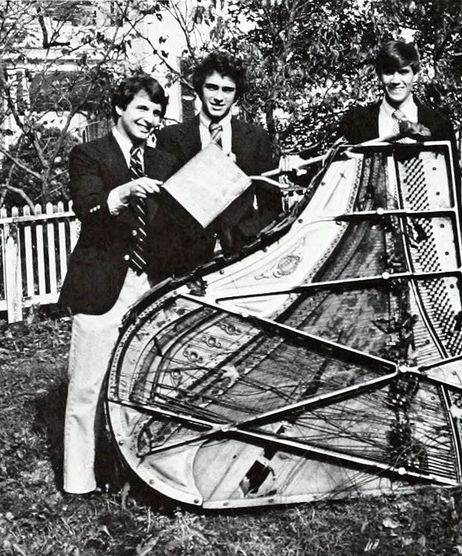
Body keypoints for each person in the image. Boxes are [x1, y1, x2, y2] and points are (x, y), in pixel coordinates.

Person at [58, 75, 178, 494]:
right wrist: (124, 191)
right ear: (120, 108)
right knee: (87, 387)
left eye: (157, 112)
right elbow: (88, 207)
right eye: (142, 108)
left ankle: (143, 475)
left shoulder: (164, 162)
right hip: (102, 284)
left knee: (148, 383)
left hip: (152, 284)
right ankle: (79, 481)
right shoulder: (88, 154)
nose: (150, 118)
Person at [155, 50, 283, 260]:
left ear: (236, 94)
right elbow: (164, 209)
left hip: (244, 252)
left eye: (227, 90)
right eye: (212, 87)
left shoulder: (255, 137)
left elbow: (271, 207)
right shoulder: (170, 137)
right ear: (199, 89)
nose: (218, 97)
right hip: (188, 257)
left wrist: (249, 236)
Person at [337, 40, 462, 216]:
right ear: (379, 76)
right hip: (368, 225)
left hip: (425, 224)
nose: (396, 81)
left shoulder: (438, 124)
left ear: (415, 75)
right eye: (389, 72)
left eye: (403, 72)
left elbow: (453, 187)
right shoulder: (355, 121)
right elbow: (337, 176)